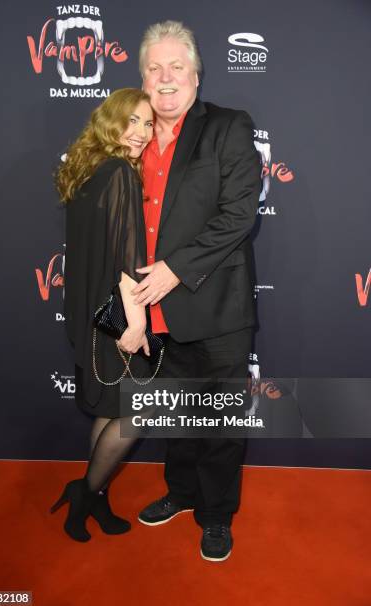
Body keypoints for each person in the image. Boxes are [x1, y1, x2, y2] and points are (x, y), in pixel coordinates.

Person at [132, 21, 262, 561]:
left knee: (220, 421)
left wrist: (174, 270)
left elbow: (238, 214)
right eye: (154, 68)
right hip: (153, 310)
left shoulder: (228, 127)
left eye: (176, 67)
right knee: (177, 417)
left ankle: (215, 515)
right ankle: (181, 494)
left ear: (195, 73)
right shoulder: (131, 134)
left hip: (217, 306)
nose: (165, 79)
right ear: (141, 76)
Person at [50, 88, 154, 542]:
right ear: (111, 120)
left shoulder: (86, 170)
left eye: (148, 124)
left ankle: (93, 497)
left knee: (110, 409)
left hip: (87, 314)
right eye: (132, 121)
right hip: (115, 316)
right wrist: (136, 324)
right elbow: (128, 262)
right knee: (136, 413)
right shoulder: (121, 175)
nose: (142, 133)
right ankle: (84, 492)